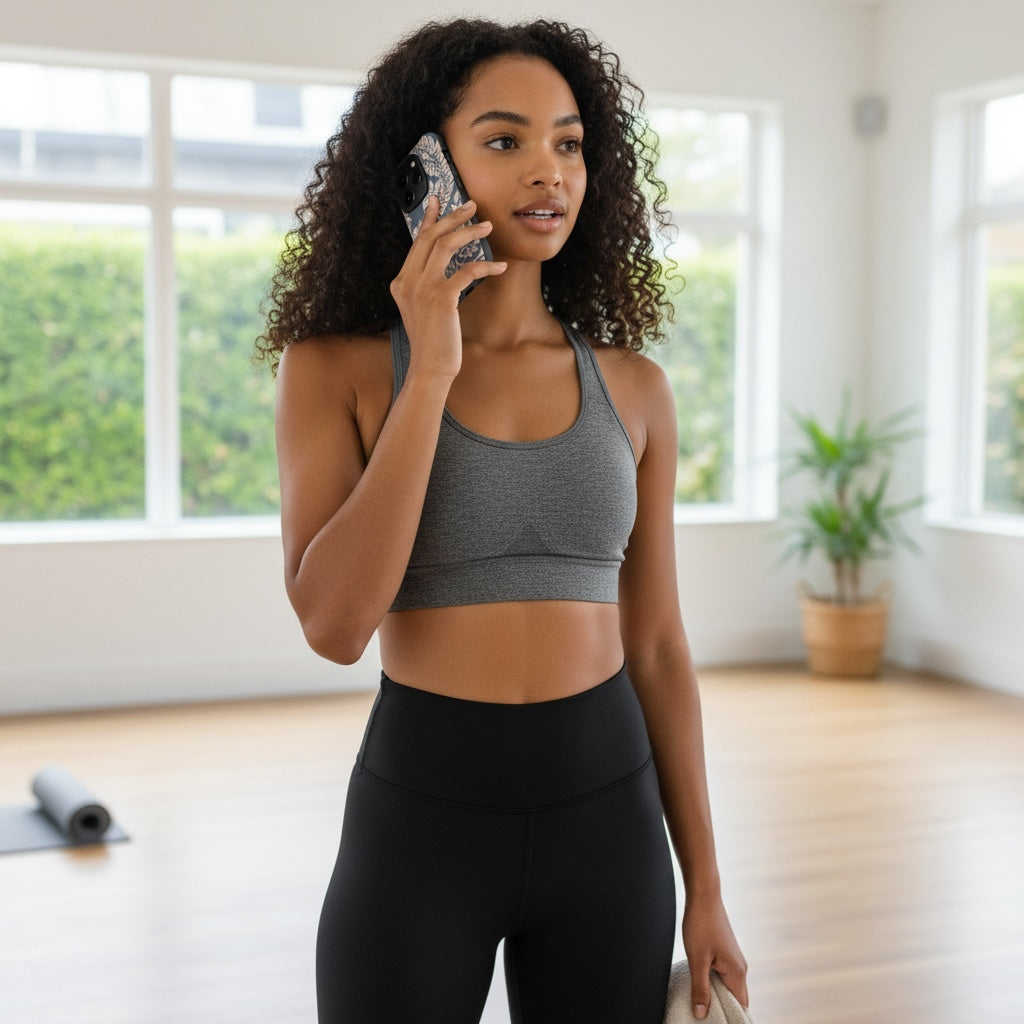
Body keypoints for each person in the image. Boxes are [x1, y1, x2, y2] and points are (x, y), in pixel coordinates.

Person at [256, 17, 749, 1024]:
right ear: (422, 170)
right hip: (421, 824)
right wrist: (430, 366)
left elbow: (655, 643)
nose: (547, 171)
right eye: (504, 139)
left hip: (607, 820)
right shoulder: (336, 370)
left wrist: (706, 884)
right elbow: (335, 625)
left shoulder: (635, 387)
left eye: (567, 142)